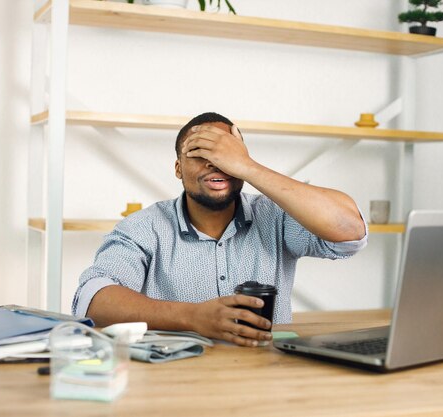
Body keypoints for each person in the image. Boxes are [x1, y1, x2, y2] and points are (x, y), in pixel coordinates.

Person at [72, 112, 367, 347]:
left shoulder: (276, 216)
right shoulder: (144, 227)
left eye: (226, 156)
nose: (215, 164)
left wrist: (248, 167)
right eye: (200, 153)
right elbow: (93, 300)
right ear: (178, 168)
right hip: (176, 379)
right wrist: (192, 317)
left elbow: (350, 232)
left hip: (268, 374)